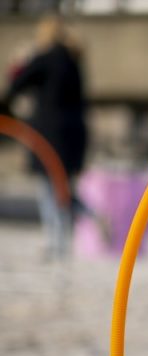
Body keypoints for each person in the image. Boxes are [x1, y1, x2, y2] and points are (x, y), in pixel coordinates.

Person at [3, 15, 89, 260]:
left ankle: (56, 243)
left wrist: (20, 62)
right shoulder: (74, 60)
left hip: (49, 134)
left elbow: (15, 85)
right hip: (74, 133)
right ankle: (89, 218)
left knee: (48, 189)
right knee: (63, 187)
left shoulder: (44, 59)